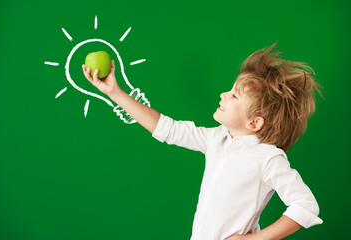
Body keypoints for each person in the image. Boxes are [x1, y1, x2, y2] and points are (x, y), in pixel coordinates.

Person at [82, 42, 324, 240]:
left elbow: (306, 206)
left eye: (234, 95)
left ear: (254, 123)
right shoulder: (217, 138)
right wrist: (114, 92)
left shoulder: (268, 158)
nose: (223, 95)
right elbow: (167, 128)